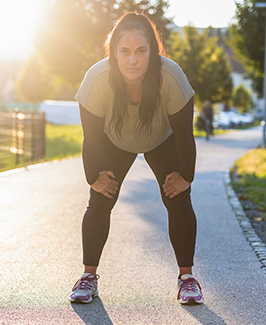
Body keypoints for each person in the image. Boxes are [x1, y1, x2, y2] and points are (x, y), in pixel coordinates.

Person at [69, 12, 202, 305]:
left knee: (178, 198)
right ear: (114, 53)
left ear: (153, 51)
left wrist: (186, 177)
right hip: (115, 141)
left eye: (141, 51)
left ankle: (187, 279)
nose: (133, 59)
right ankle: (88, 277)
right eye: (125, 51)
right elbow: (91, 138)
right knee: (100, 199)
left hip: (162, 139)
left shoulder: (171, 76)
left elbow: (184, 135)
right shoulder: (96, 80)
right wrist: (93, 178)